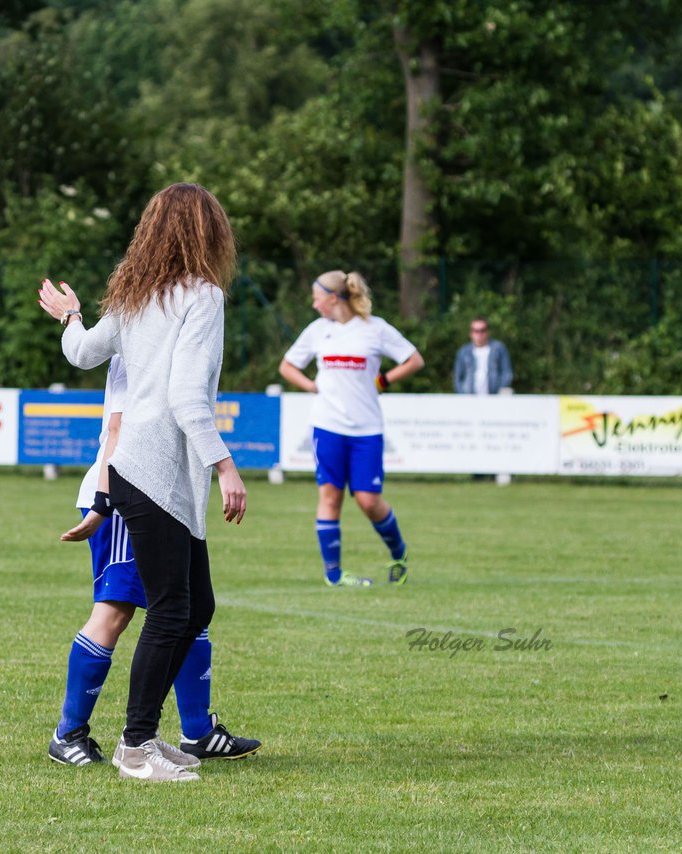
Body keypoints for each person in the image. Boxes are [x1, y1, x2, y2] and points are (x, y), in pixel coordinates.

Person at [36, 182, 248, 783]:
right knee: (171, 609)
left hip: (136, 473)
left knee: (194, 605)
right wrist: (224, 463)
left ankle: (148, 738)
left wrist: (71, 315)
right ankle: (137, 747)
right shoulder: (202, 296)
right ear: (208, 232)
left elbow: (80, 353)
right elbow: (186, 396)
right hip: (155, 475)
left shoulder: (136, 294)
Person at [47, 354, 260, 768]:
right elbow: (117, 427)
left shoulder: (161, 333)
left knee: (184, 606)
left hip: (162, 493)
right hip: (130, 493)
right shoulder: (139, 343)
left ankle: (198, 731)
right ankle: (68, 732)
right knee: (116, 611)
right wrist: (103, 504)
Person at [278, 270, 424, 587]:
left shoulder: (375, 329)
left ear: (333, 298)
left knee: (368, 500)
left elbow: (414, 360)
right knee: (330, 497)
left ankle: (399, 554)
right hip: (327, 426)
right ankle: (334, 575)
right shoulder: (317, 331)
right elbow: (287, 366)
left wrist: (383, 380)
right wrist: (311, 386)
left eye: (317, 299)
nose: (314, 305)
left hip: (367, 429)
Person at [453, 316, 513, 395]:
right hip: (469, 399)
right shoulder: (464, 351)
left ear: (488, 331)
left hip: (494, 398)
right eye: (476, 331)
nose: (479, 334)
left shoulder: (498, 348)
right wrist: (463, 394)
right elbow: (457, 378)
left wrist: (499, 391)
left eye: (482, 330)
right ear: (471, 333)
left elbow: (507, 373)